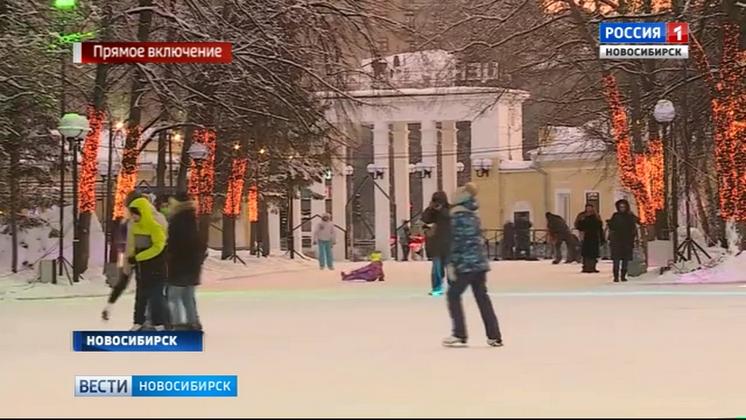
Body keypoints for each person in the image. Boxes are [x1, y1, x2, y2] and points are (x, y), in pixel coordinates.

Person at [442, 183, 503, 348]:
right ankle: (494, 335)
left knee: (453, 295)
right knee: (482, 297)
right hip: (479, 263)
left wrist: (451, 263)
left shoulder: (458, 217)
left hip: (465, 264)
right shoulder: (473, 215)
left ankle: (459, 334)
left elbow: (457, 242)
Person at [102, 191, 168, 328]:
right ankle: (144, 322)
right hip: (141, 264)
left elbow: (159, 245)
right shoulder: (137, 221)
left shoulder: (151, 222)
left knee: (154, 296)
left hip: (153, 263)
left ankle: (156, 323)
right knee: (145, 294)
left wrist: (133, 259)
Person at [166, 192, 205, 330]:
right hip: (192, 264)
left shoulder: (178, 221)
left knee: (173, 296)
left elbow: (176, 243)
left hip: (180, 264)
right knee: (188, 295)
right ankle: (193, 321)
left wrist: (170, 256)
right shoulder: (192, 218)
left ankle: (178, 323)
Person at [421, 191, 451, 296]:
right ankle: (436, 287)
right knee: (436, 269)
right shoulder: (430, 212)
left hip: (449, 244)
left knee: (450, 269)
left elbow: (450, 217)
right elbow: (424, 220)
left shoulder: (450, 209)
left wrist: (441, 209)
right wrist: (430, 209)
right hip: (435, 244)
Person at [608, 199, 639, 282]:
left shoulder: (630, 216)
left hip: (627, 240)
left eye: (623, 207)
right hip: (616, 240)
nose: (622, 208)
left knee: (625, 259)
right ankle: (616, 276)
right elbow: (612, 226)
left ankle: (623, 275)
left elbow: (636, 223)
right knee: (616, 259)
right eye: (620, 207)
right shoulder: (615, 216)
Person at [575, 204, 604, 273]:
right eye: (587, 208)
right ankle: (586, 267)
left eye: (590, 208)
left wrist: (602, 237)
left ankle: (592, 267)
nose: (589, 209)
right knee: (586, 253)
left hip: (594, 236)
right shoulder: (582, 216)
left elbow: (600, 227)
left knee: (593, 253)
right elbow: (578, 225)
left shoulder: (596, 217)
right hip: (586, 236)